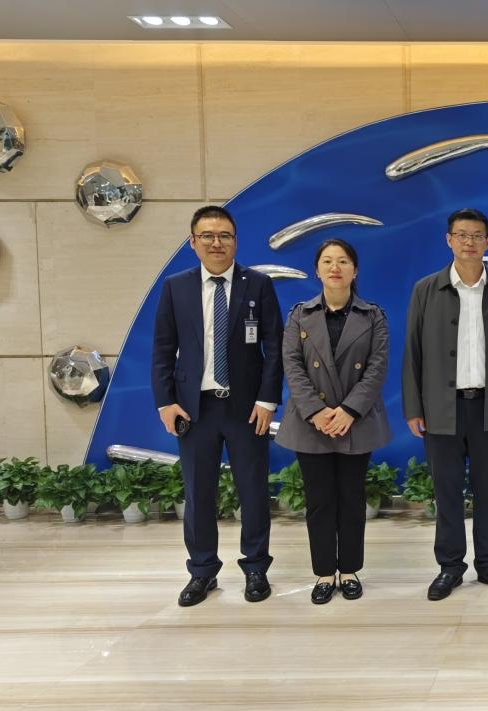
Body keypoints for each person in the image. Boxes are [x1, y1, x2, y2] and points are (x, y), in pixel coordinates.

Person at [152, 205, 283, 607]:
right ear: (192, 242)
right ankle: (202, 571)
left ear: (235, 241)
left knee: (253, 491)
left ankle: (256, 568)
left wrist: (267, 400)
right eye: (207, 236)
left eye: (224, 235)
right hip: (195, 410)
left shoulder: (257, 284)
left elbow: (275, 348)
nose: (216, 243)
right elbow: (162, 350)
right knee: (199, 494)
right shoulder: (176, 287)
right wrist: (166, 402)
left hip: (246, 409)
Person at [402, 208, 488, 601]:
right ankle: (450, 566)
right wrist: (413, 407)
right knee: (447, 492)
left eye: (477, 236)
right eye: (462, 235)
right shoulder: (427, 289)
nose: (469, 242)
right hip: (442, 407)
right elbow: (413, 352)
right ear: (449, 240)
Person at [275, 239, 390, 604]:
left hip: (356, 420)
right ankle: (325, 573)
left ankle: (350, 570)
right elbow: (292, 365)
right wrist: (317, 411)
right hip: (312, 422)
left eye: (343, 261)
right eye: (327, 261)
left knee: (352, 499)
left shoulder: (373, 316)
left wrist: (348, 411)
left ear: (355, 270)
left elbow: (377, 368)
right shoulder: (300, 315)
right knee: (320, 501)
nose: (335, 268)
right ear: (317, 270)